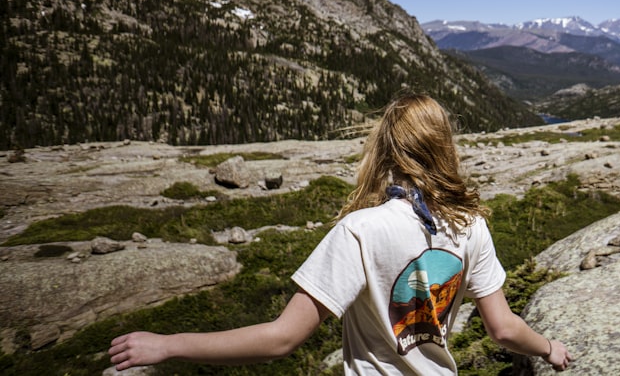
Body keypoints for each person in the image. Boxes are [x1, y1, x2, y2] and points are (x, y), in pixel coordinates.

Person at [108, 93, 573, 374]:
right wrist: (550, 349)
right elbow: (503, 329)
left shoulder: (359, 230)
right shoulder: (470, 224)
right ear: (444, 148)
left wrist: (168, 345)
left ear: (385, 149)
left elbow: (281, 339)